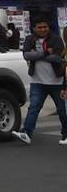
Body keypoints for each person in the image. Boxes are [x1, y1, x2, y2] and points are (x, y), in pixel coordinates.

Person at [12, 17, 67, 145]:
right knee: (34, 107)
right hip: (37, 80)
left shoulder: (56, 39)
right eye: (40, 27)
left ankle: (65, 134)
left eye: (45, 27)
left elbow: (57, 58)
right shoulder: (30, 39)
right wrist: (45, 53)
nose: (43, 29)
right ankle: (26, 133)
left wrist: (36, 55)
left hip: (56, 81)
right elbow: (26, 55)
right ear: (34, 28)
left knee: (62, 110)